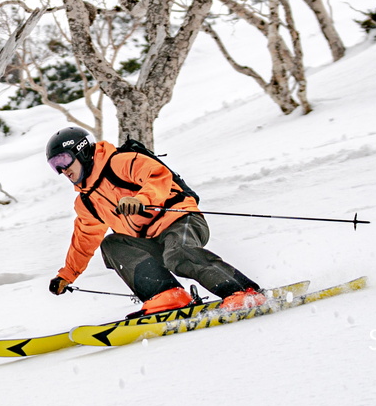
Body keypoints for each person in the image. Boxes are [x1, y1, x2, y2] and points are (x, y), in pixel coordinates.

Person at [44, 126, 267, 315]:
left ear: (81, 151)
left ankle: (242, 293)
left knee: (177, 252)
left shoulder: (120, 162)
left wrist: (141, 198)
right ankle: (167, 295)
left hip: (180, 219)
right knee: (112, 244)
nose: (62, 170)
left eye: (63, 160)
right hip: (150, 240)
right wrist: (67, 275)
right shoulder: (87, 202)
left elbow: (157, 175)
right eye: (55, 166)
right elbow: (84, 239)